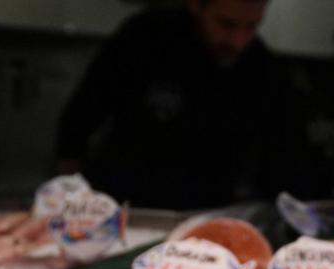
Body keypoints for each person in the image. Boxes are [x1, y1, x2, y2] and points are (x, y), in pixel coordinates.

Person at [55, 0, 298, 209]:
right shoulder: (145, 37)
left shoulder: (263, 69)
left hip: (205, 214)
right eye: (227, 24)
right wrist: (71, 194)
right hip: (126, 207)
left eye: (251, 27)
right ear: (196, 5)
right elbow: (82, 114)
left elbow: (280, 157)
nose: (238, 42)